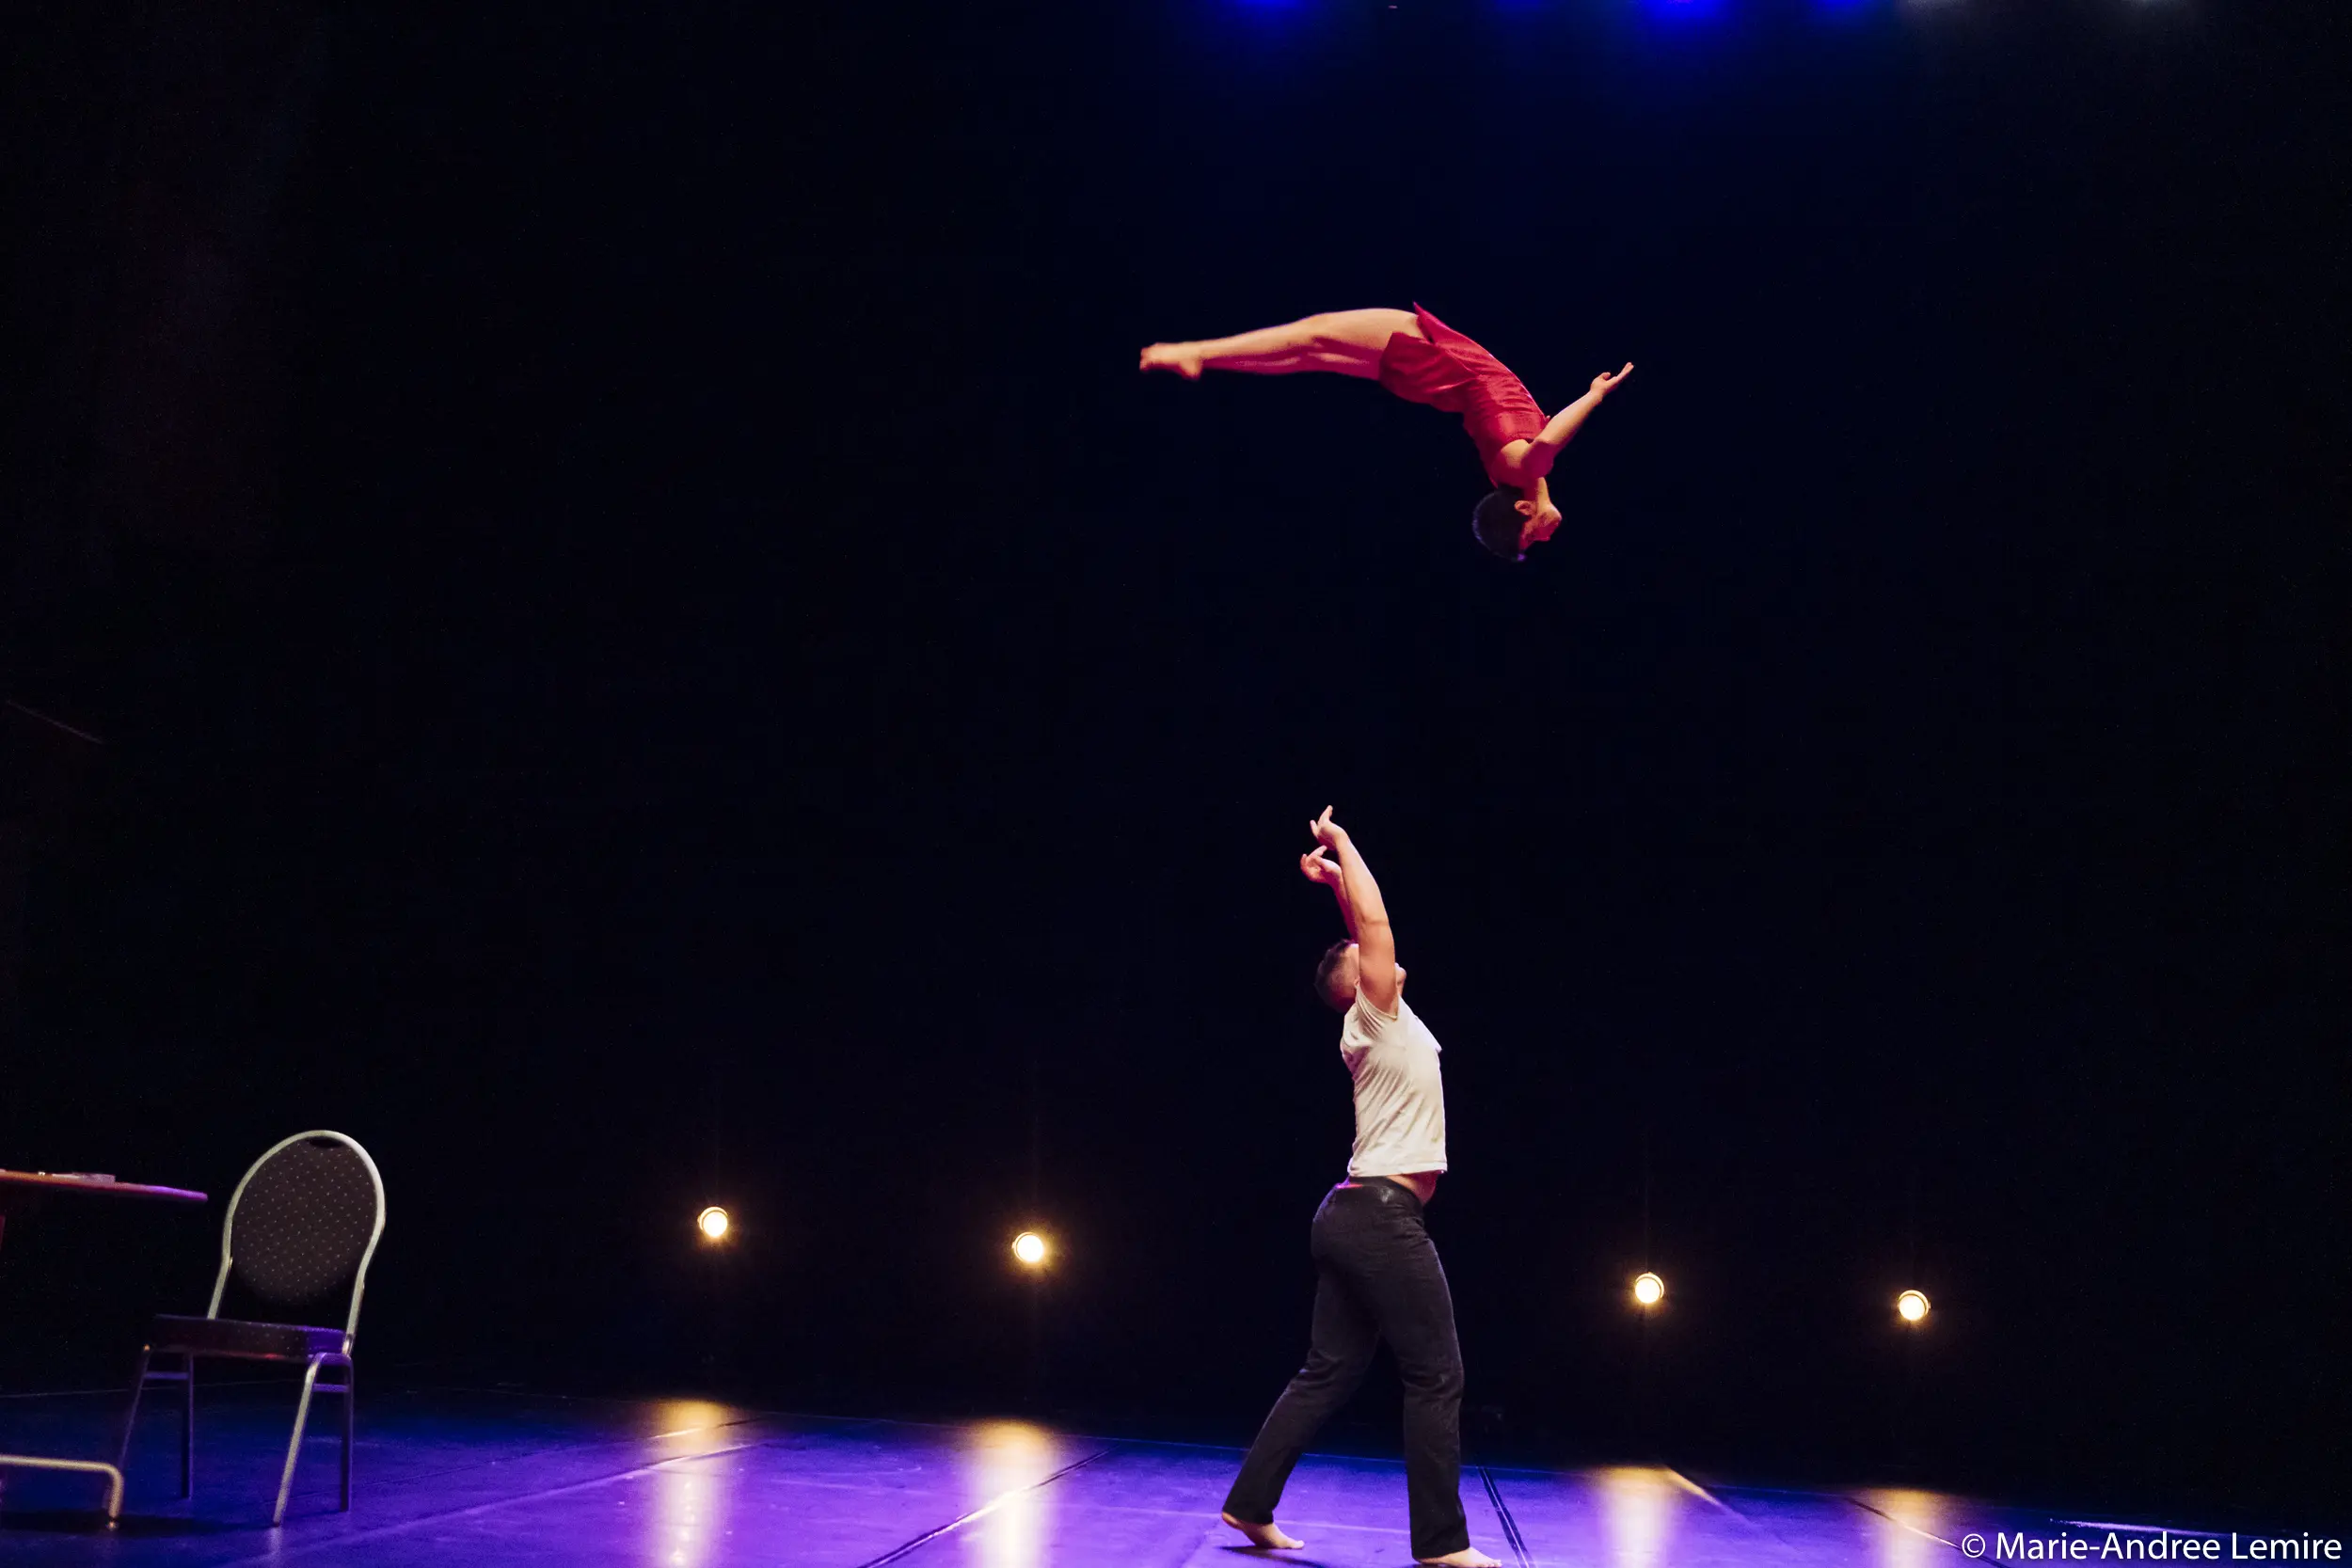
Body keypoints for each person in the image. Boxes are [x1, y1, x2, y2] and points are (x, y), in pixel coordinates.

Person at [1217, 807, 1500, 1568]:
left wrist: (1334, 881)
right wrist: (1342, 841)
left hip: (1349, 1213)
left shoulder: (1380, 1018)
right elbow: (1373, 924)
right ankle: (1442, 1543)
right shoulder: (1373, 1013)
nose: (1381, 954)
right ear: (1358, 984)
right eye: (1366, 959)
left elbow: (1360, 922)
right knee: (1437, 1373)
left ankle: (1249, 1504)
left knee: (1328, 1369)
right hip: (1380, 1215)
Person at [1141, 305, 1631, 562]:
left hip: (1432, 358)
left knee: (1314, 335)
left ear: (1522, 509)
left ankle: (1196, 351)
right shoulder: (1517, 476)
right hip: (1434, 375)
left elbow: (1547, 446)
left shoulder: (1521, 468)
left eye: (1530, 538)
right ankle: (1202, 357)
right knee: (1311, 354)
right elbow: (1540, 460)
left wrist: (1594, 395)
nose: (1543, 537)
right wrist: (1541, 505)